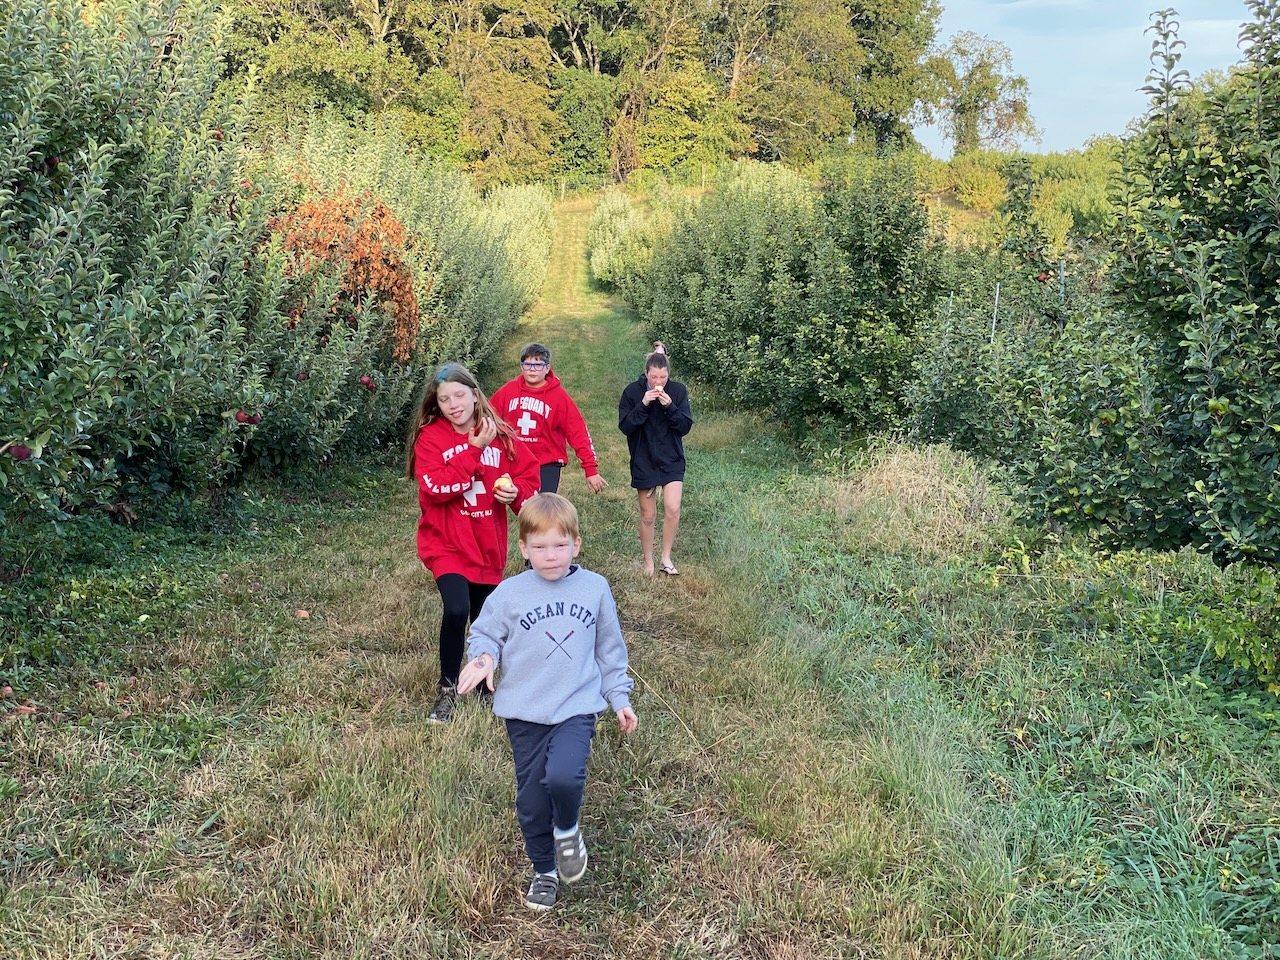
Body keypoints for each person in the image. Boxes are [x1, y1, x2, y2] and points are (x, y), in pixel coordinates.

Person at [456, 493, 637, 911]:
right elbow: (485, 634)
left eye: (560, 545)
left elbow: (610, 649)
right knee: (532, 800)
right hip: (524, 713)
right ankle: (544, 871)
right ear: (523, 548)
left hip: (576, 706)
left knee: (564, 778)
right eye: (539, 547)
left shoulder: (595, 588)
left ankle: (568, 830)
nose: (550, 555)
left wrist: (619, 697)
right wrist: (483, 659)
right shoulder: (509, 593)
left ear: (577, 544)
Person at [405, 362, 540, 723]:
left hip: (487, 544)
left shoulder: (503, 435)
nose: (453, 404)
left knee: (484, 620)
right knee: (456, 609)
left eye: (460, 395)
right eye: (444, 398)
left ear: (475, 394)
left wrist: (516, 492)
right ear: (437, 403)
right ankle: (447, 689)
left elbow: (530, 478)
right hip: (446, 543)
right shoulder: (432, 437)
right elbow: (435, 488)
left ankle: (483, 685)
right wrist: (474, 449)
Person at [490, 342, 608, 496]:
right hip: (515, 461)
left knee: (543, 510)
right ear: (521, 367)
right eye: (527, 364)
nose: (532, 369)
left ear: (547, 368)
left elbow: (578, 432)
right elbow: (487, 417)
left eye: (538, 365)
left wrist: (590, 469)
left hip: (546, 464)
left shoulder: (559, 397)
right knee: (521, 509)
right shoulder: (508, 391)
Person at [618, 349, 693, 576]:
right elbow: (625, 426)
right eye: (653, 377)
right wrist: (643, 404)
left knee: (673, 508)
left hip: (671, 459)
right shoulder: (632, 392)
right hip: (644, 459)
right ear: (646, 374)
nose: (658, 382)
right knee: (648, 515)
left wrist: (670, 406)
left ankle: (666, 557)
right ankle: (648, 562)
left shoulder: (678, 391)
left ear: (668, 374)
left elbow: (685, 427)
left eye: (662, 377)